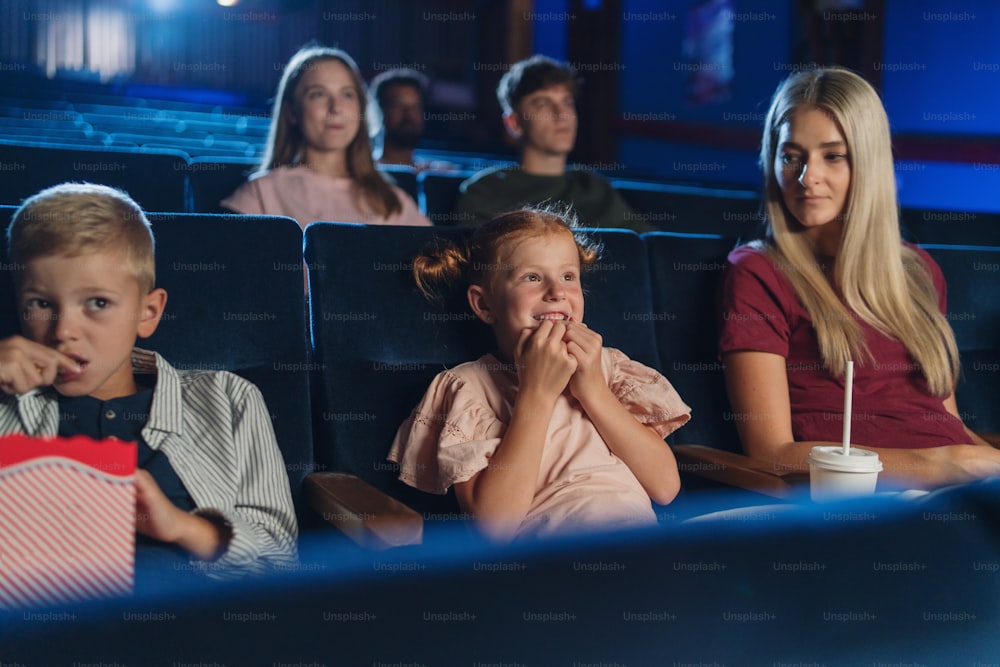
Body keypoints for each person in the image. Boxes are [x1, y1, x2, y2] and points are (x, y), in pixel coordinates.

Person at [718, 66, 1000, 490]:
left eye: (832, 156)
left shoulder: (919, 272)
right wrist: (946, 464)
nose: (807, 177)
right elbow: (770, 454)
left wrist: (977, 461)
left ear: (868, 163)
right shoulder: (758, 273)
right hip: (869, 502)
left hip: (960, 493)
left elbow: (948, 426)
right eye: (790, 156)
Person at [0, 183, 298, 581]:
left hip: (196, 633)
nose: (64, 331)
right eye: (40, 303)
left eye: (98, 303)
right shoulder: (7, 403)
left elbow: (281, 559)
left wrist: (181, 526)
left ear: (148, 312)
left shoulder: (229, 398)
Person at [387, 208, 689, 541]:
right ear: (484, 305)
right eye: (532, 277)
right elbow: (494, 530)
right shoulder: (467, 387)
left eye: (568, 276)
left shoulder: (611, 368)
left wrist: (592, 390)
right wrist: (536, 393)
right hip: (546, 561)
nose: (556, 292)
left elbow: (664, 488)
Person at [221, 45, 431, 228]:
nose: (336, 108)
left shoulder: (391, 199)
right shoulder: (262, 192)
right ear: (292, 111)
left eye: (347, 94)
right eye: (318, 94)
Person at [454, 55, 647, 232]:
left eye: (567, 102)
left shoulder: (595, 188)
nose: (561, 114)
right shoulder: (484, 193)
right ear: (514, 123)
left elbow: (648, 247)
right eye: (543, 103)